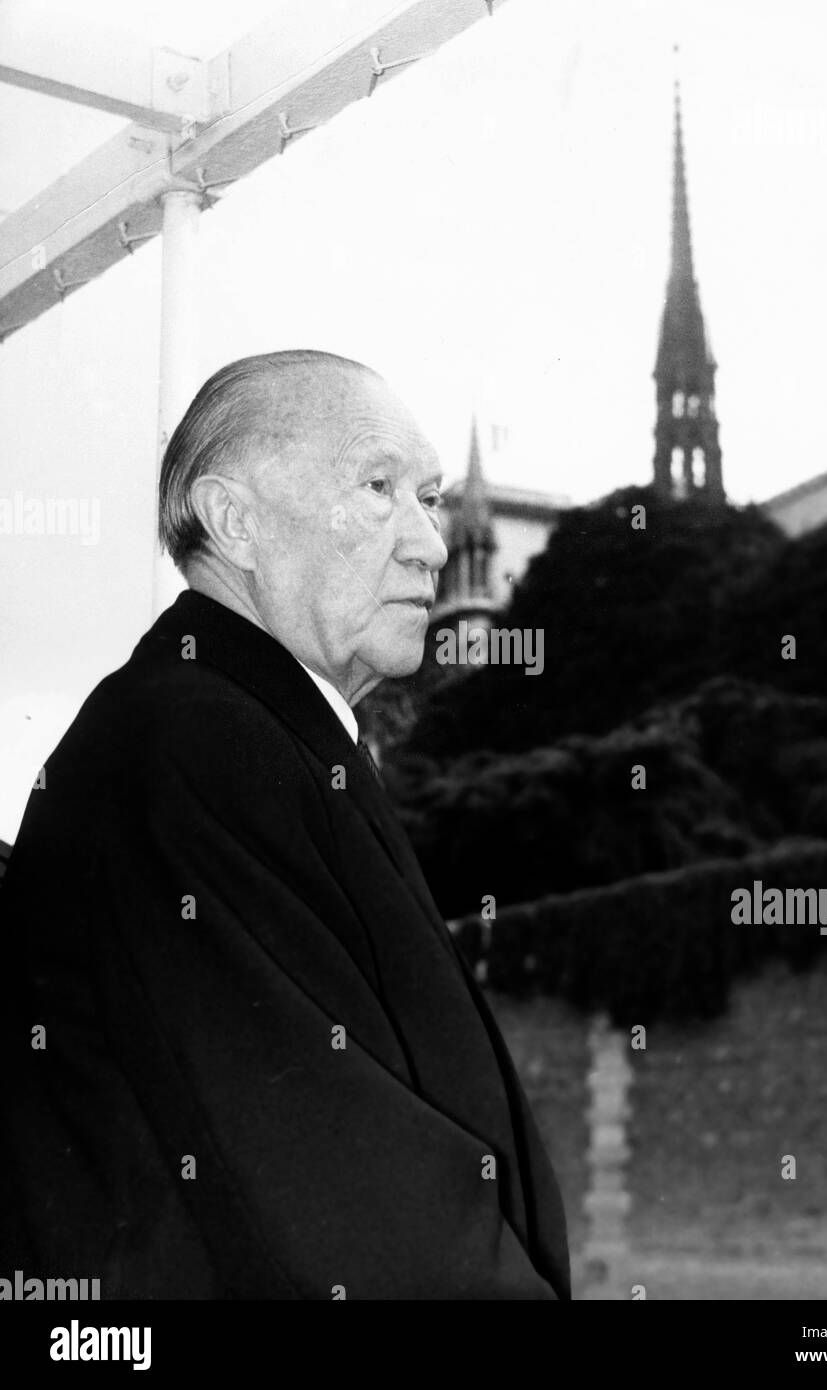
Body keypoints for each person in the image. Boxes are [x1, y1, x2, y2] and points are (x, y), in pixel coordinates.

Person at [0, 350, 570, 1300]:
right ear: (236, 522)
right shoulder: (197, 741)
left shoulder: (250, 730)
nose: (431, 543)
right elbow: (346, 1200)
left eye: (429, 498)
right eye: (379, 488)